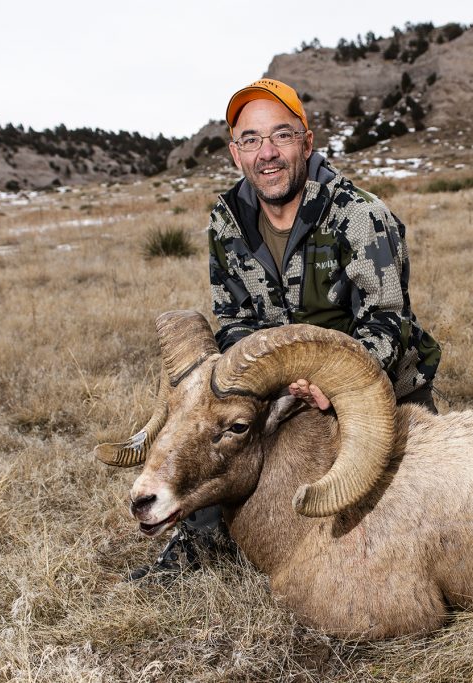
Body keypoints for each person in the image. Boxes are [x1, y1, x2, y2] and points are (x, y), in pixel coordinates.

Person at [130, 78, 441, 579]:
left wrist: (330, 386)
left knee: (395, 516)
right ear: (236, 153)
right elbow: (234, 319)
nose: (267, 153)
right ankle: (200, 537)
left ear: (306, 142)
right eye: (251, 139)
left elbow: (387, 319)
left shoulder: (360, 215)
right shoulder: (228, 221)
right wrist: (251, 381)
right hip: (277, 388)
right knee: (218, 433)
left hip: (369, 387)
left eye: (281, 135)